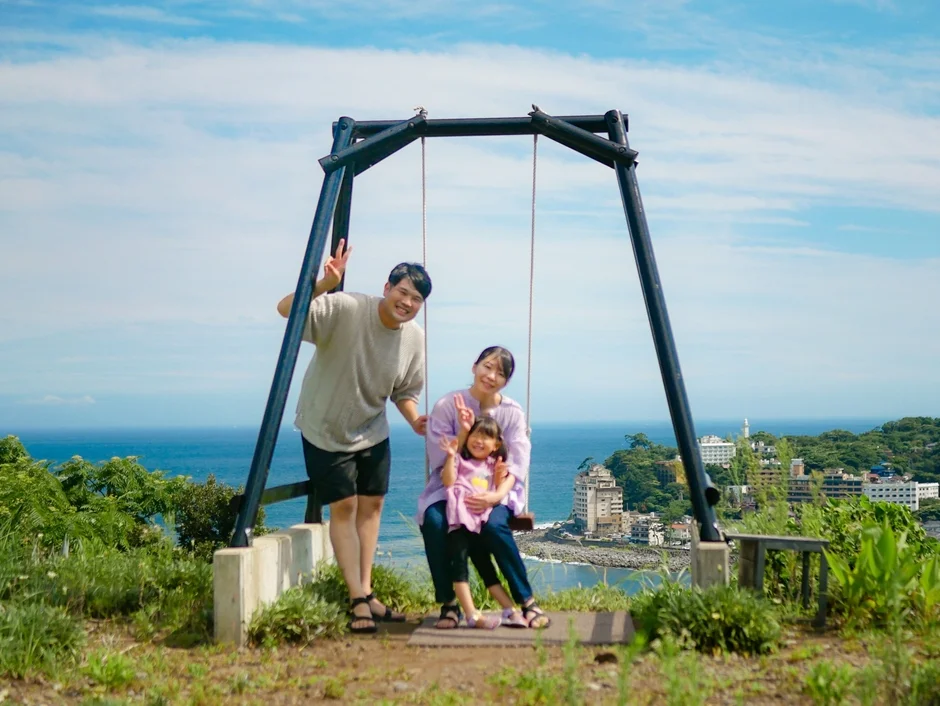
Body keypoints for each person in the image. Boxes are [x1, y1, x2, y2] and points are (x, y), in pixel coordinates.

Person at [278, 239, 431, 634]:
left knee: (373, 507)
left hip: (372, 431)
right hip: (324, 427)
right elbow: (285, 311)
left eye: (416, 299)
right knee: (343, 508)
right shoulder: (346, 308)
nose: (407, 303)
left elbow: (405, 392)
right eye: (402, 292)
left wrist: (416, 421)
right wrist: (323, 284)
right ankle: (356, 600)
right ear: (387, 287)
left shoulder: (414, 337)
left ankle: (366, 592)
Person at [417, 346, 552, 630]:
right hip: (452, 486)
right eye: (487, 366)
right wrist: (464, 431)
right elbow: (441, 458)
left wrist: (496, 496)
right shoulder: (447, 405)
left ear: (506, 381)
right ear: (474, 366)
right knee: (434, 522)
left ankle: (526, 601)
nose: (491, 376)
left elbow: (518, 461)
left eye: (500, 373)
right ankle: (448, 605)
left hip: (496, 487)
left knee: (493, 527)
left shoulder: (511, 412)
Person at [439, 416, 513, 629]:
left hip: (479, 525)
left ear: (496, 445)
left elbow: (495, 489)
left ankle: (509, 609)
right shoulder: (461, 461)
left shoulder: (492, 465)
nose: (479, 441)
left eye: (486, 437)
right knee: (459, 568)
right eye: (475, 435)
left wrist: (499, 475)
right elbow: (448, 481)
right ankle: (472, 615)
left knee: (487, 568)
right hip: (459, 525)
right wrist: (451, 456)